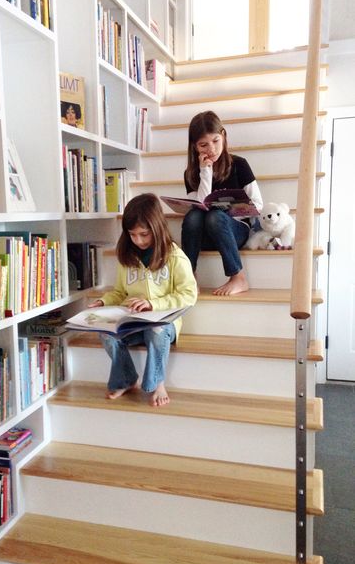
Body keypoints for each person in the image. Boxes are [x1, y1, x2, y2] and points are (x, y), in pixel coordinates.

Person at [89, 193, 197, 407]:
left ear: (157, 229)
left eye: (144, 234)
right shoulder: (127, 257)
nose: (138, 240)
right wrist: (103, 302)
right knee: (106, 333)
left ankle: (158, 384)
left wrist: (153, 304)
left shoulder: (175, 257)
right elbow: (120, 292)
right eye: (132, 235)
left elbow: (189, 295)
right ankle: (127, 379)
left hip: (163, 323)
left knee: (156, 332)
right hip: (134, 321)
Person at [181, 110, 263, 296]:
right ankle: (189, 277)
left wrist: (230, 210)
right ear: (194, 147)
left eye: (216, 141)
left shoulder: (239, 165)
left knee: (215, 216)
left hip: (234, 231)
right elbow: (201, 204)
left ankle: (239, 277)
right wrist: (205, 173)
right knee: (195, 215)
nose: (211, 149)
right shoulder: (192, 173)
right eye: (203, 145)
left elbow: (258, 205)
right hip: (206, 236)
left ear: (224, 136)